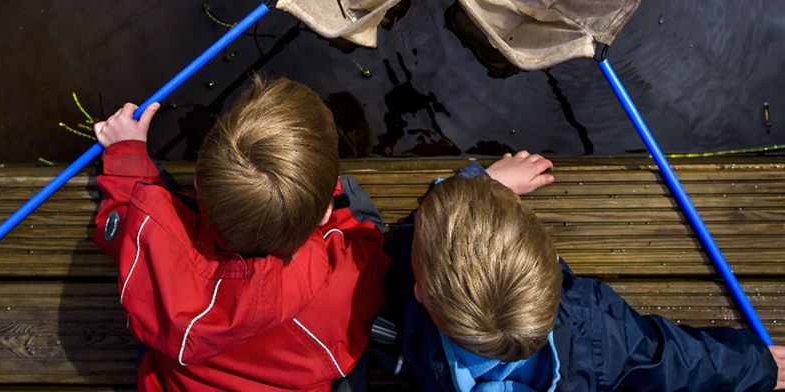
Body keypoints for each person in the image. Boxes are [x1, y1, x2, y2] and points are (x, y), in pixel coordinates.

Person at [385, 151, 785, 391]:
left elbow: (408, 242)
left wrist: (479, 181)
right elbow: (675, 361)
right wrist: (757, 366)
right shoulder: (598, 328)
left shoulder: (414, 316)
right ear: (553, 263)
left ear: (422, 293)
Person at [92, 77, 389, 391]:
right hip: (301, 354)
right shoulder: (338, 287)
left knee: (154, 197)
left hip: (174, 366)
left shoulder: (152, 241)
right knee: (359, 211)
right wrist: (338, 207)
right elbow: (369, 260)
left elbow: (126, 213)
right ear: (324, 214)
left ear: (197, 181)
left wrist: (127, 151)